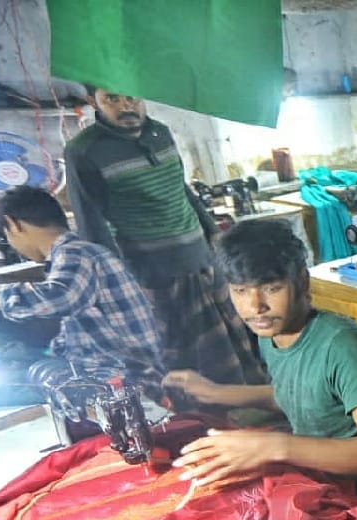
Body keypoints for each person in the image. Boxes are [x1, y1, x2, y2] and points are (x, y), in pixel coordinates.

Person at [161, 218, 357, 515]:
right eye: (240, 291)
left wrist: (273, 446)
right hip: (320, 476)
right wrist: (217, 393)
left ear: (302, 281)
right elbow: (294, 393)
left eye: (271, 288)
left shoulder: (343, 346)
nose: (255, 306)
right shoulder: (272, 334)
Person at [64, 85, 265, 391]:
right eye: (112, 99)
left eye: (131, 95)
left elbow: (180, 189)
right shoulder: (84, 151)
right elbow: (91, 224)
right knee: (191, 361)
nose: (125, 105)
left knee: (238, 344)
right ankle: (207, 427)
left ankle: (255, 410)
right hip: (156, 276)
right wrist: (114, 284)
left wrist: (214, 233)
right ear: (93, 101)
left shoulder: (160, 132)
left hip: (203, 262)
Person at [0, 186, 166, 400]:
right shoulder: (82, 252)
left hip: (121, 378)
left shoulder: (76, 252)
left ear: (13, 224)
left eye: (6, 236)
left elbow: (60, 297)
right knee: (17, 365)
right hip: (114, 367)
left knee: (4, 395)